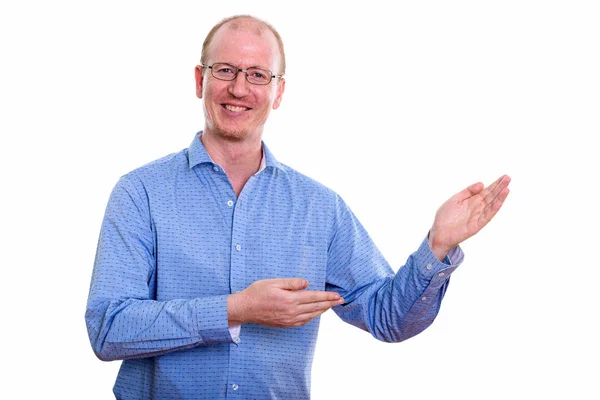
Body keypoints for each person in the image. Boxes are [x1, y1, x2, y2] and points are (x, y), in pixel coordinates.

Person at [85, 14, 511, 400]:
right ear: (200, 80)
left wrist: (438, 246)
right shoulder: (140, 193)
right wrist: (237, 309)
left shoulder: (318, 208)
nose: (239, 88)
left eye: (257, 74)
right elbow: (108, 328)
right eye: (225, 70)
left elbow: (388, 317)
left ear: (278, 91)